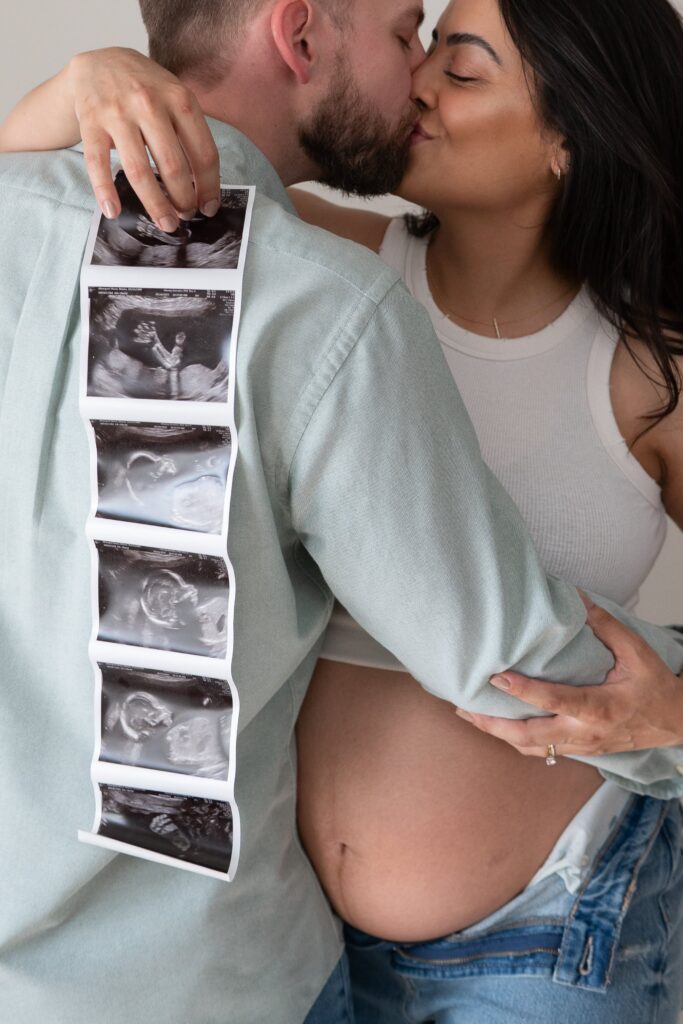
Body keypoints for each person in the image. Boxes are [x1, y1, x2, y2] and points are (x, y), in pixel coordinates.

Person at [2, 1, 683, 1022]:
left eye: (456, 68)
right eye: (411, 36)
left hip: (538, 934)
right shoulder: (336, 271)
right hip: (301, 935)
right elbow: (90, 199)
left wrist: (671, 709)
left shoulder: (645, 365)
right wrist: (82, 83)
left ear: (566, 139)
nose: (412, 82)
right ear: (298, 33)